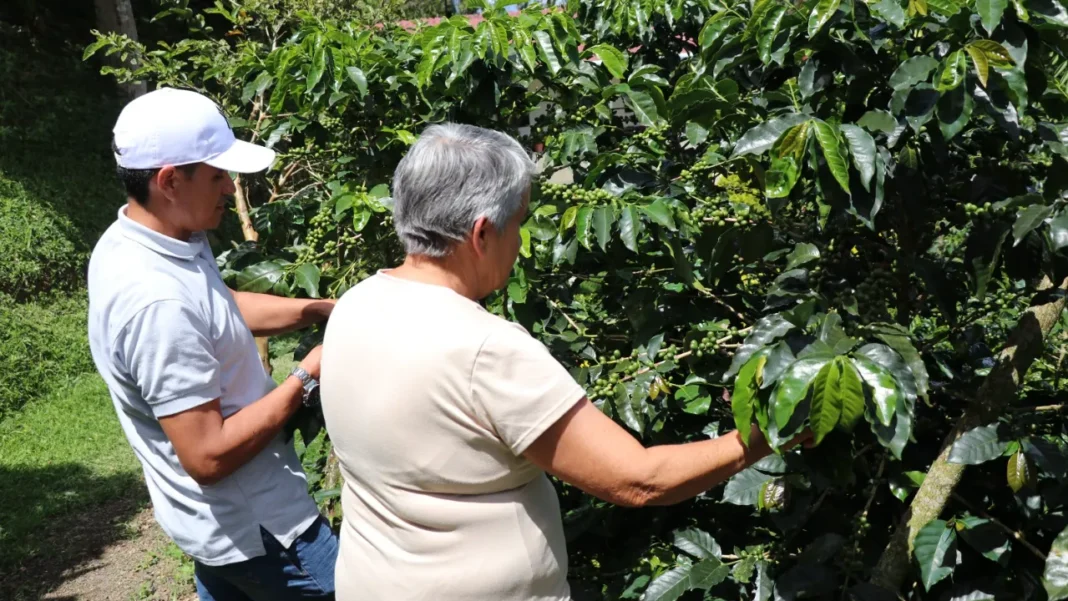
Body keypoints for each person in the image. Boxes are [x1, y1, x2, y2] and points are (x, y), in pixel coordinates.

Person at [319, 123, 811, 601]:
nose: (519, 242)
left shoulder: (356, 303)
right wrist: (768, 436)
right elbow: (640, 479)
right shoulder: (484, 348)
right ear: (482, 233)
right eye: (519, 223)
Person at [87, 87, 339, 601]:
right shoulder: (156, 303)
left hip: (213, 529)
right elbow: (206, 455)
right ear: (169, 180)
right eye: (217, 174)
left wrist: (318, 311)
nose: (230, 187)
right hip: (260, 527)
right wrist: (310, 372)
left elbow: (217, 305)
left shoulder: (154, 237)